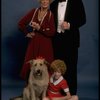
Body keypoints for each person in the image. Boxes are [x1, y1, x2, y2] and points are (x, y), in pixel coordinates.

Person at [50, 0, 86, 95]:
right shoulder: (53, 4)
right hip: (56, 41)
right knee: (57, 68)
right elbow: (50, 22)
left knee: (71, 68)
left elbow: (83, 19)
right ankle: (59, 94)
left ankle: (72, 94)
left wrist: (69, 25)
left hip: (71, 41)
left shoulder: (77, 2)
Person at [18, 0, 55, 80]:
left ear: (49, 2)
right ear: (40, 2)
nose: (45, 2)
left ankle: (45, 88)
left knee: (45, 65)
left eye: (47, 1)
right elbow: (20, 24)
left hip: (46, 44)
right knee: (31, 64)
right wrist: (27, 33)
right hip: (34, 42)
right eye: (43, 0)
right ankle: (30, 87)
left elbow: (52, 32)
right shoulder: (34, 11)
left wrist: (40, 28)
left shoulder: (50, 15)